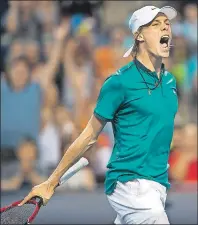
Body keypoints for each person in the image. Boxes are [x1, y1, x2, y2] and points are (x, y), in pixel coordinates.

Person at [19, 5, 178, 224]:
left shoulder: (170, 82)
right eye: (156, 25)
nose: (165, 29)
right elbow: (88, 136)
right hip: (130, 184)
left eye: (167, 24)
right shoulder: (118, 83)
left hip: (159, 183)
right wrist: (51, 182)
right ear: (139, 35)